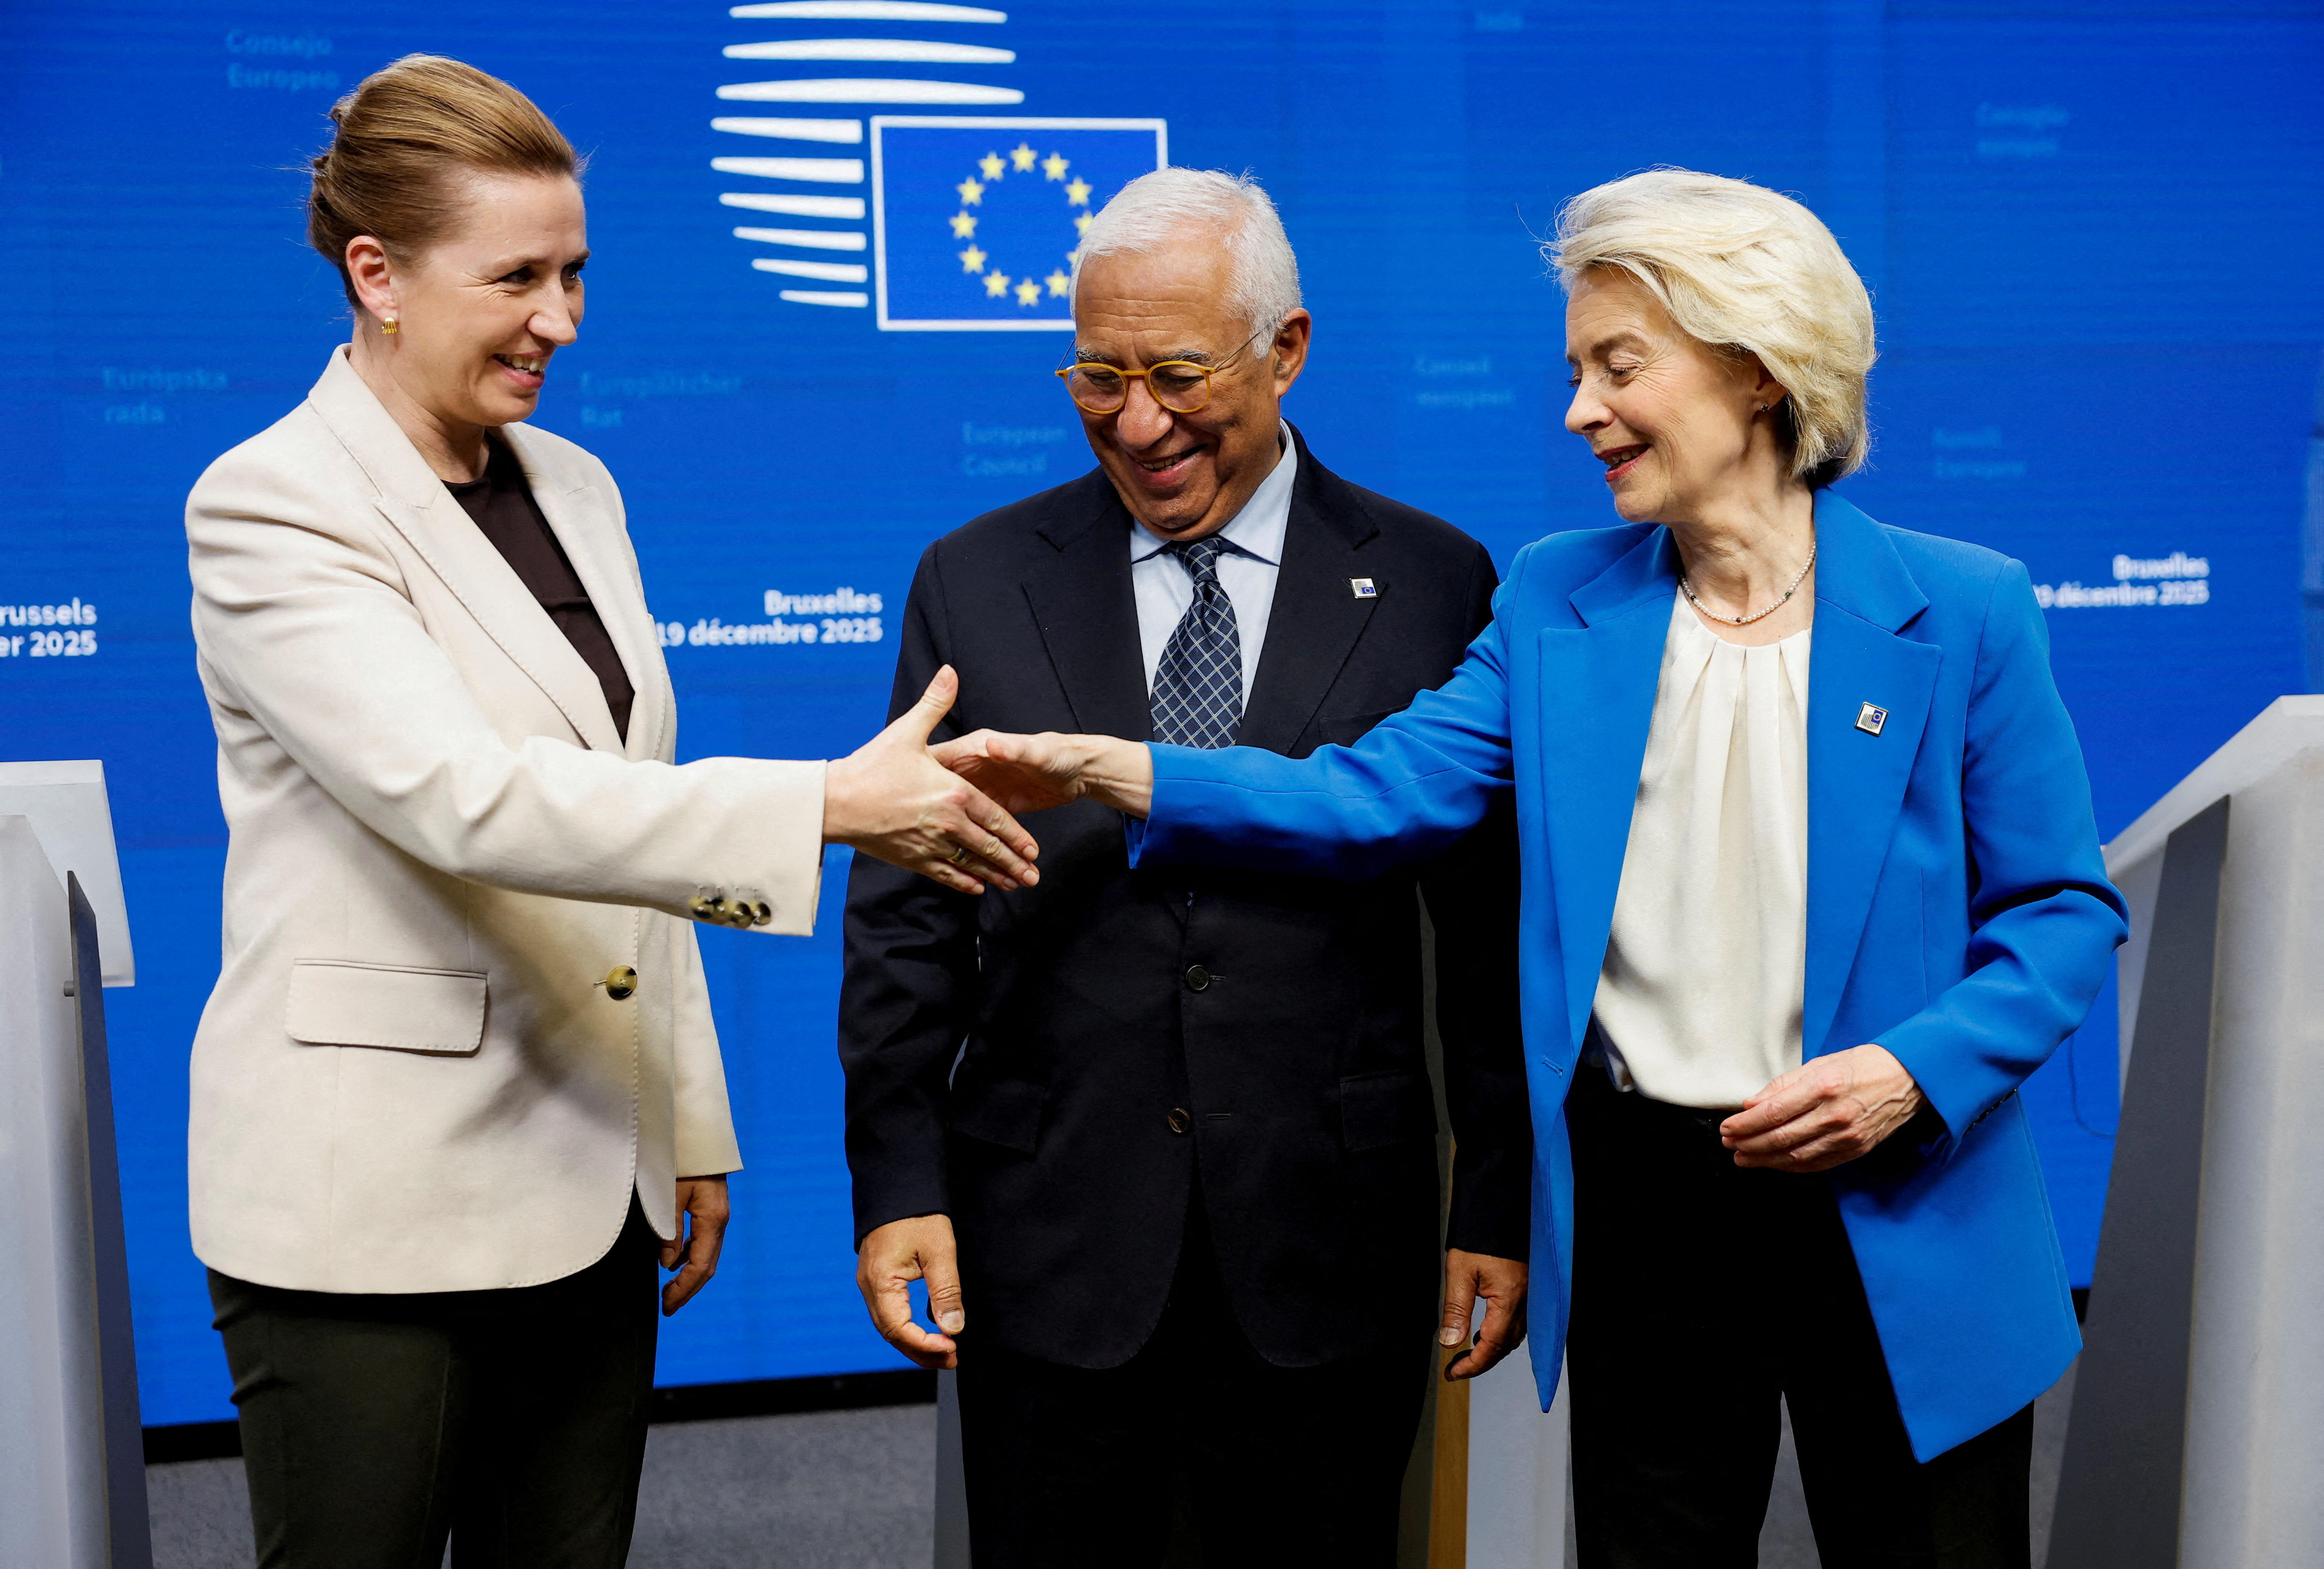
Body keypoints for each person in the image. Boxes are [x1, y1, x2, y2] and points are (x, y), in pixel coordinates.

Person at [935, 169, 2130, 1568]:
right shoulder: (1558, 597)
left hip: (1899, 1194)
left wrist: (1909, 1071)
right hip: (1652, 1214)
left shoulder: (1964, 608)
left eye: (1618, 367)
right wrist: (1114, 766)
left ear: (1754, 373)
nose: (1579, 411)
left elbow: (2060, 910)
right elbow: (1371, 794)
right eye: (1575, 370)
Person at [184, 55, 1034, 1569]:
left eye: (575, 273)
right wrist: (830, 802)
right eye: (516, 277)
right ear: (375, 274)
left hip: (591, 1181)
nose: (561, 321)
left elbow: (624, 810)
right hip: (367, 1211)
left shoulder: (573, 482)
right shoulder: (270, 502)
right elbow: (465, 798)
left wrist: (682, 1119)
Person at [839, 168, 1533, 1567]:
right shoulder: (975, 576)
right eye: (1097, 376)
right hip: (1051, 1232)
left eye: (1174, 372)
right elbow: (907, 918)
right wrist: (899, 1181)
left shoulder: (1432, 580)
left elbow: (1487, 931)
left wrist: (1495, 1202)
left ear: (1285, 351)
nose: (1137, 423)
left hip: (1328, 1236)